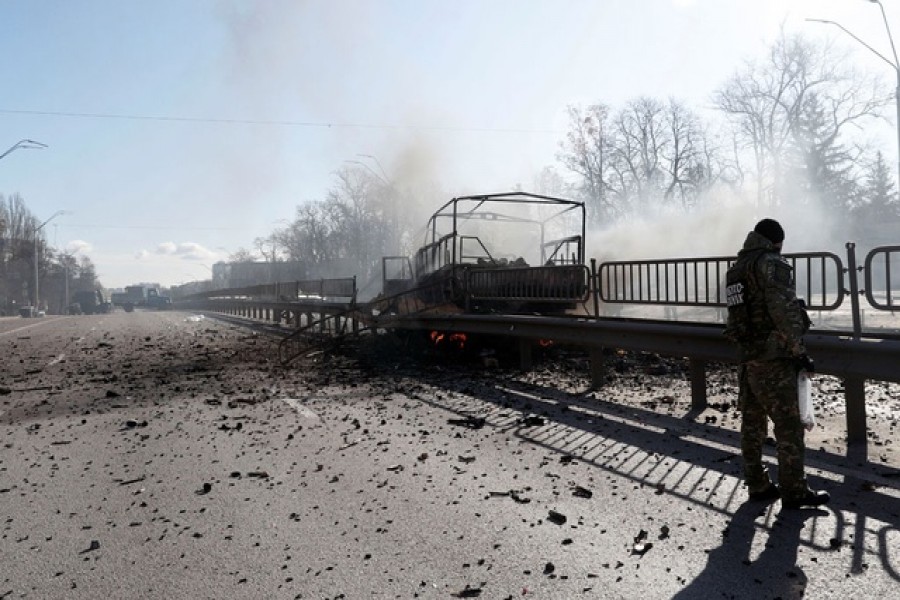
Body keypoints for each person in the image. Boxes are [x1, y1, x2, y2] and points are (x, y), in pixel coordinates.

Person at [724, 218, 829, 509]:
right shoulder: (772, 263)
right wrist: (798, 351)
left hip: (748, 357)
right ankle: (794, 491)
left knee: (752, 424)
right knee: (789, 426)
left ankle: (757, 484)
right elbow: (783, 311)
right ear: (776, 241)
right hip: (774, 358)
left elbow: (736, 317)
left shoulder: (736, 269)